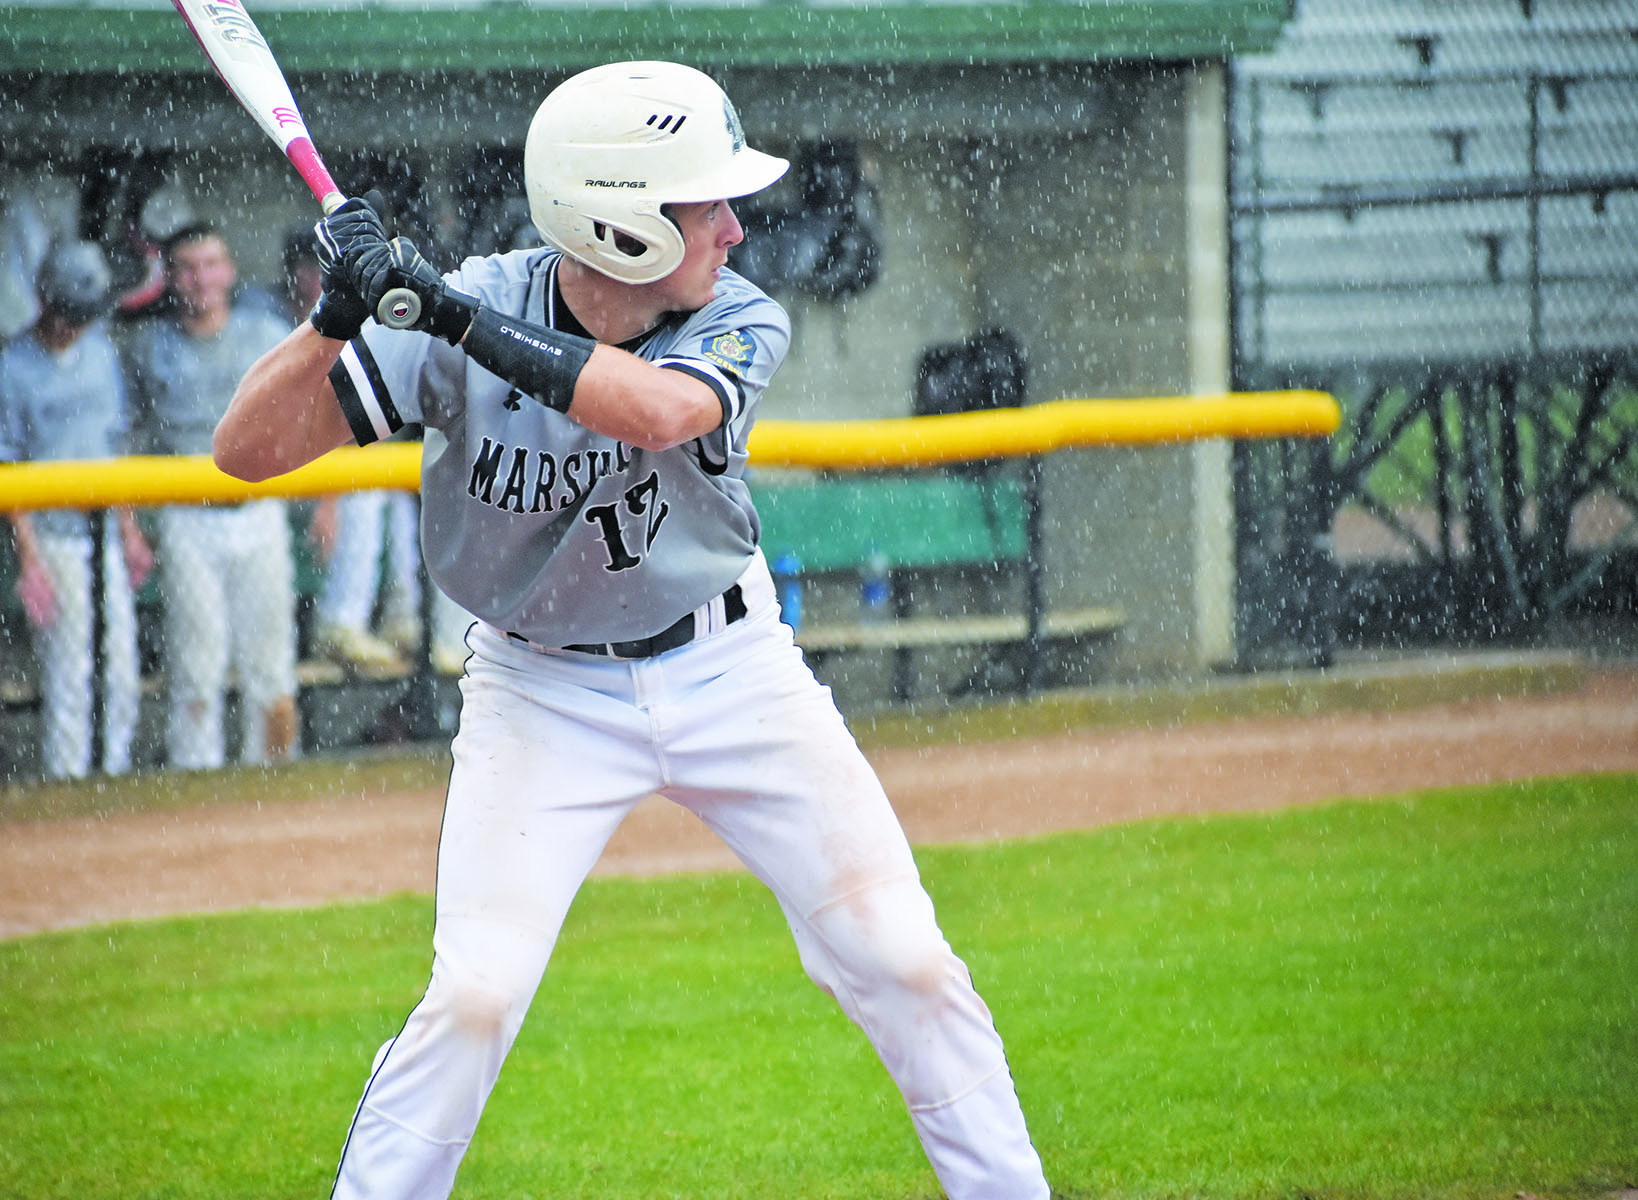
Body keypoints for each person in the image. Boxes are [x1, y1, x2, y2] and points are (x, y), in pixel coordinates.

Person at [215, 61, 1050, 1199]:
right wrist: (334, 318)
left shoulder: (735, 312)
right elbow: (246, 450)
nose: (736, 228)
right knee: (475, 998)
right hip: (540, 691)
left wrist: (450, 315)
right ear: (621, 224)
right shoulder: (476, 297)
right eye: (706, 205)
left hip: (732, 666)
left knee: (904, 959)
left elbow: (661, 411)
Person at [125, 222, 298, 770]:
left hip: (259, 509)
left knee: (271, 663)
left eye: (210, 265)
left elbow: (317, 411)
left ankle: (276, 782)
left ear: (229, 270)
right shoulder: (150, 346)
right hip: (187, 516)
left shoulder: (265, 332)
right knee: (196, 665)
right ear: (170, 278)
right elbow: (124, 438)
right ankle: (195, 783)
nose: (201, 279)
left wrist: (331, 505)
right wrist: (131, 524)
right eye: (188, 269)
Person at [0, 240, 151, 779]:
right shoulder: (12, 366)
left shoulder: (101, 354)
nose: (74, 326)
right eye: (67, 312)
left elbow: (113, 447)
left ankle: (113, 778)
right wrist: (30, 560)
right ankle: (68, 785)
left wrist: (130, 531)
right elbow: (8, 466)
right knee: (69, 673)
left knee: (122, 670)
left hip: (103, 532)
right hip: (52, 536)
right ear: (44, 299)